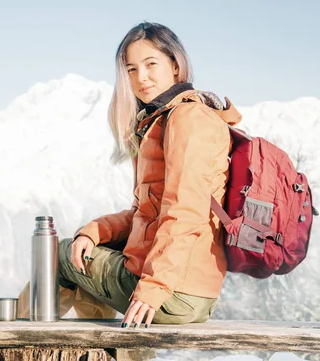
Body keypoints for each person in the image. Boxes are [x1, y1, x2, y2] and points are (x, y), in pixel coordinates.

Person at [17, 22, 242, 328]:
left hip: (173, 292)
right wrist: (93, 231)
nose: (141, 78)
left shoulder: (187, 119)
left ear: (176, 66)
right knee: (82, 250)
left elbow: (185, 213)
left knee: (57, 255)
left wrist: (152, 290)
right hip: (180, 287)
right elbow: (145, 213)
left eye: (151, 65)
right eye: (131, 70)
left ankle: (13, 336)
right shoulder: (162, 121)